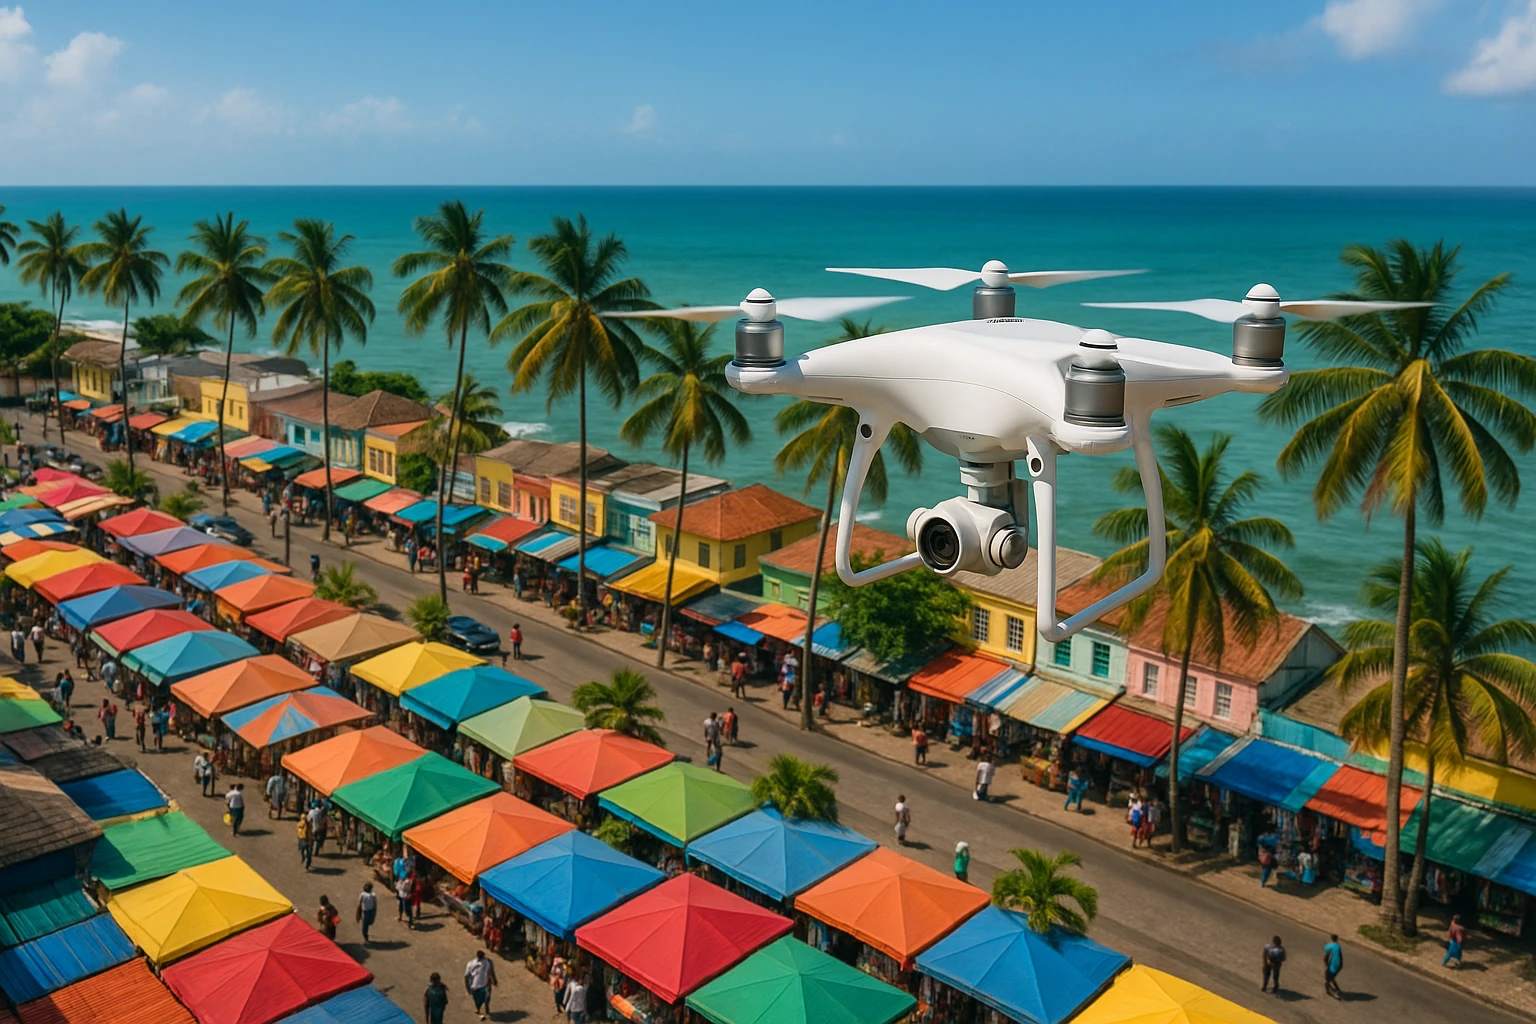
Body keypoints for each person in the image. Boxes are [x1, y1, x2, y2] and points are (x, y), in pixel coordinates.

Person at [465, 950, 497, 1021]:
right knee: (480, 998)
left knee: (484, 997)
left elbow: (466, 977)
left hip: (482, 985)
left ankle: (484, 1007)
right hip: (477, 985)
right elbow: (492, 972)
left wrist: (467, 987)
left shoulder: (471, 963)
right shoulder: (473, 963)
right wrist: (494, 980)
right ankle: (480, 1008)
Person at [1323, 934, 1343, 999]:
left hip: (1332, 966)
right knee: (1332, 977)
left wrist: (1326, 966)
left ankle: (1334, 992)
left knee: (1327, 980)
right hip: (1338, 965)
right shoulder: (1338, 946)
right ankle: (1336, 989)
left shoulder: (1328, 947)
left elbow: (1326, 957)